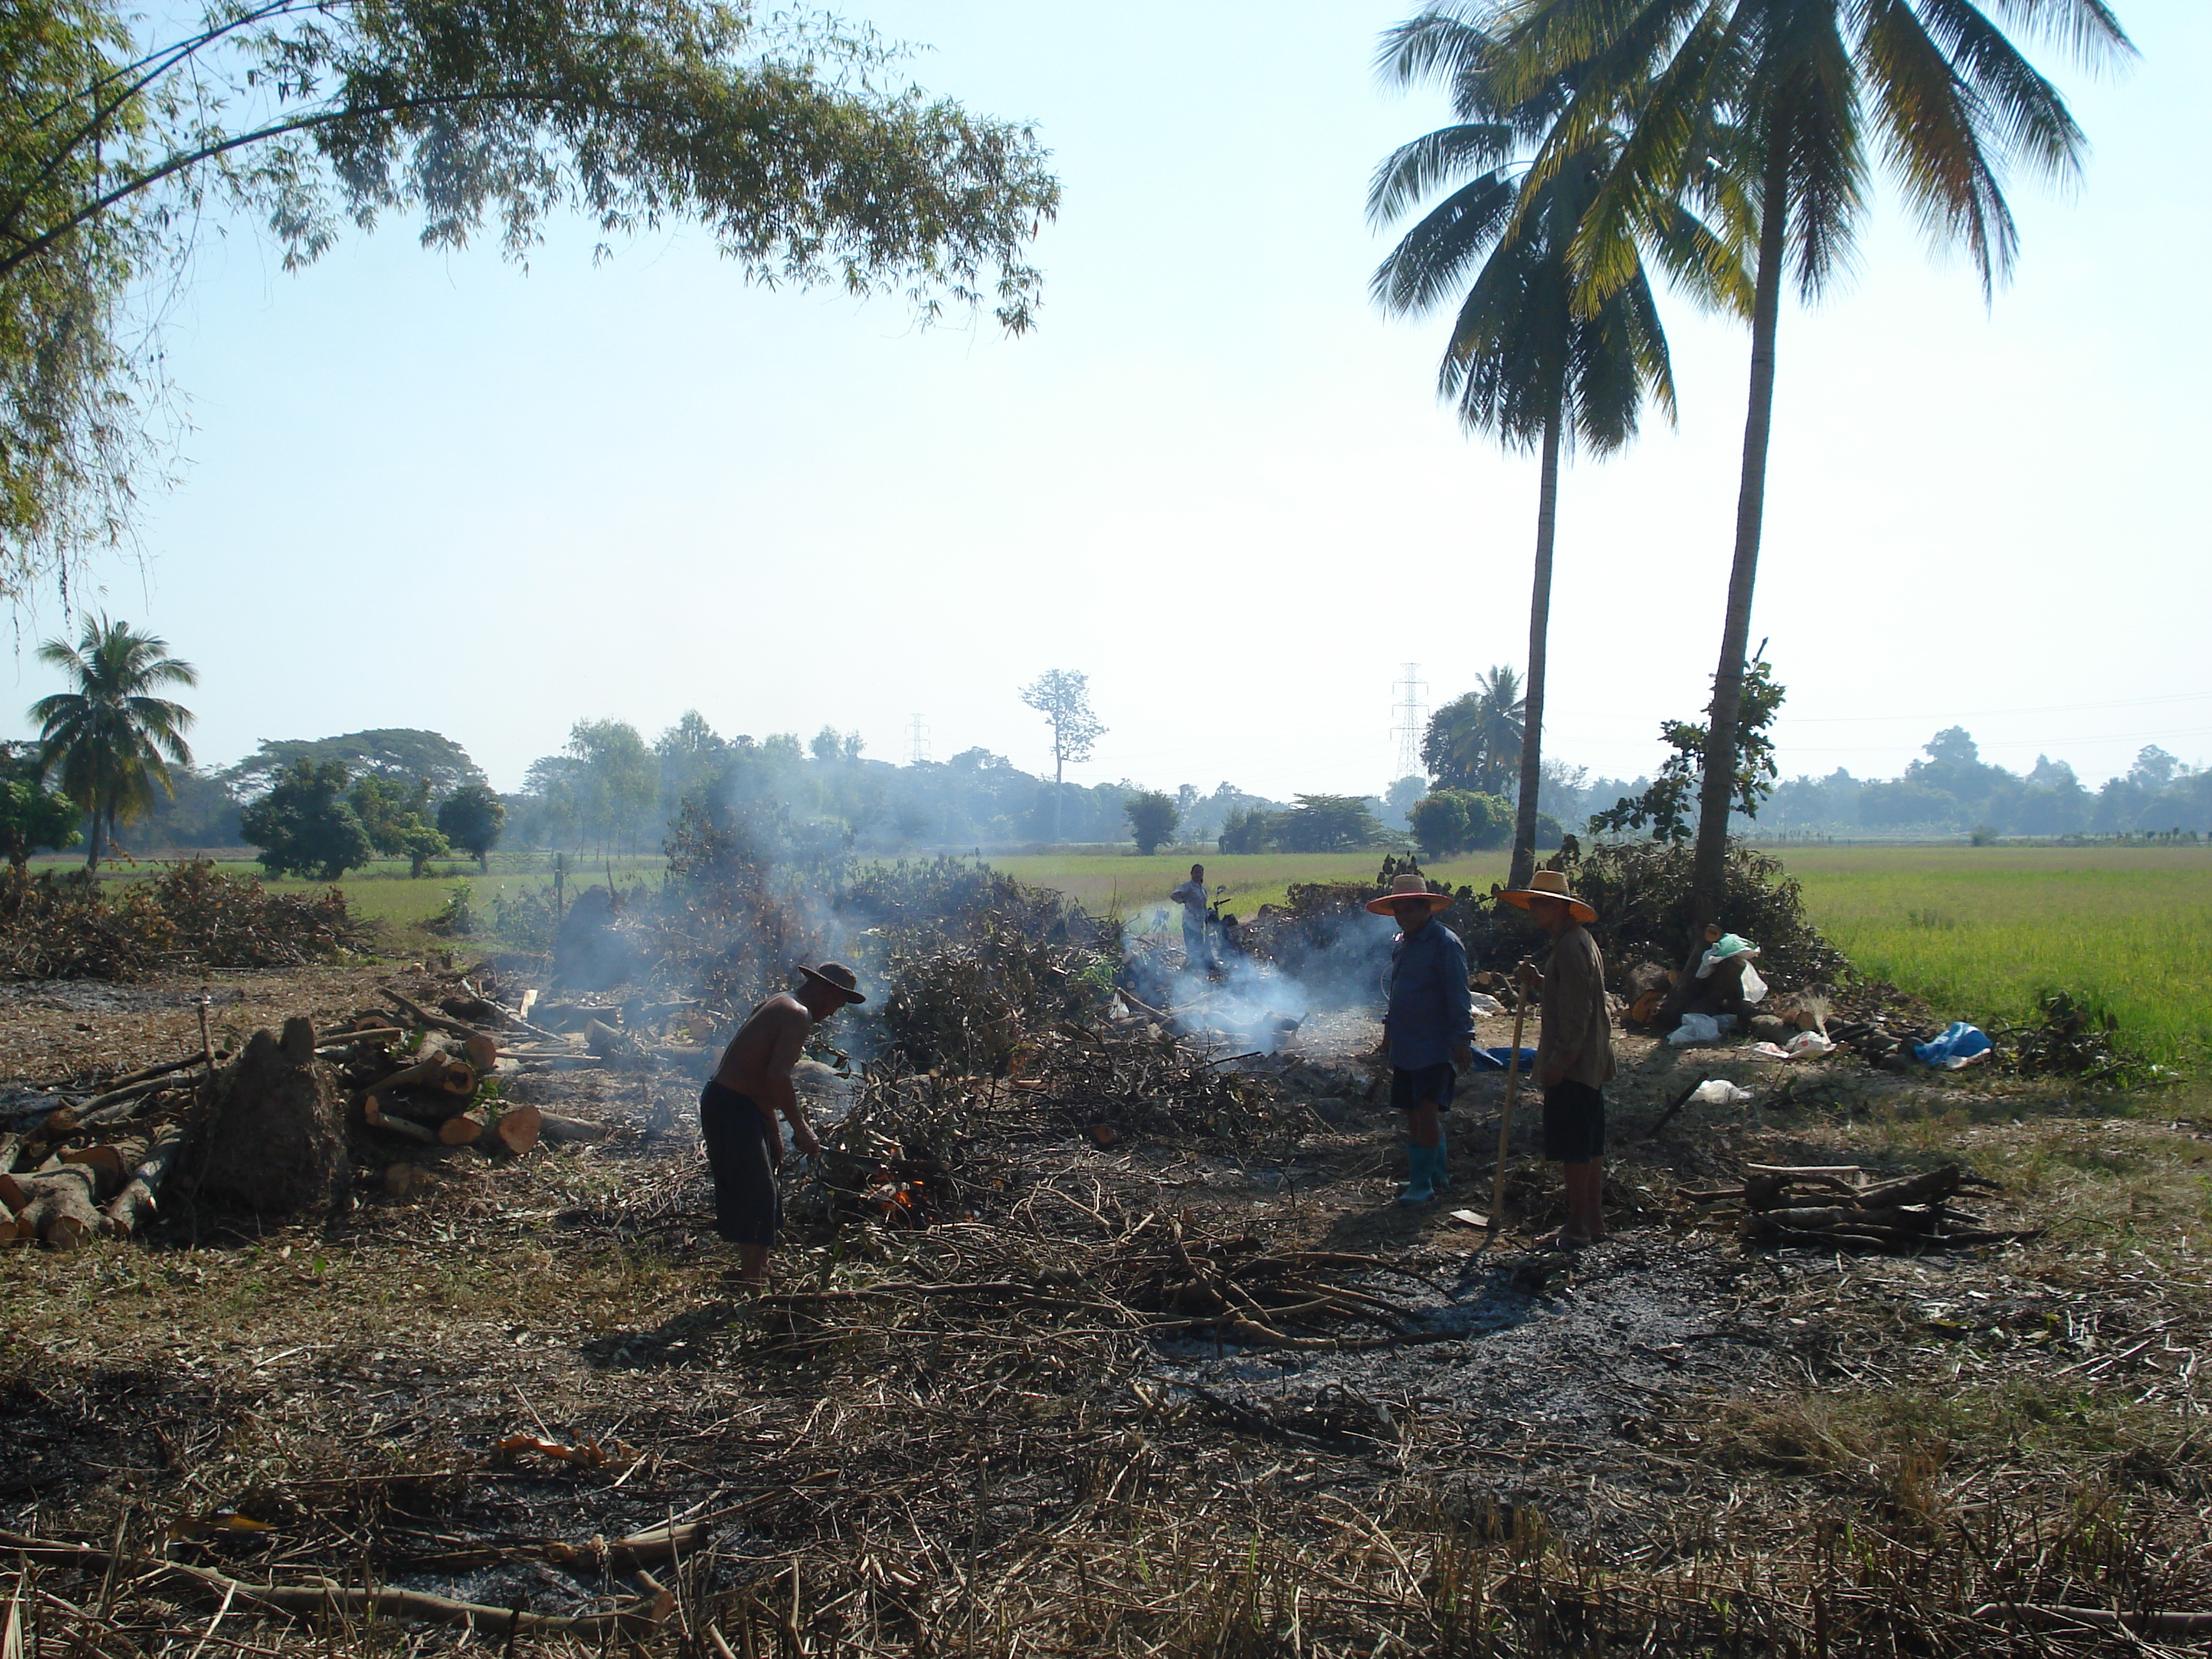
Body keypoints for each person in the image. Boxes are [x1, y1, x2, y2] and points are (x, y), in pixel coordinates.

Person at [701, 961, 866, 1290]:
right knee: (756, 1192)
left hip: (737, 1105)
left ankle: (756, 1272)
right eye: (837, 1003)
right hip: (732, 1106)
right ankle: (753, 1282)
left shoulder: (781, 1001)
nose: (834, 1012)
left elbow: (762, 1075)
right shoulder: (796, 1014)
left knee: (763, 1187)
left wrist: (773, 1131)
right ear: (828, 990)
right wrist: (801, 1129)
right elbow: (777, 1076)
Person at [1501, 869, 1615, 1248]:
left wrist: (1560, 1061)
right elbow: (1568, 993)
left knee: (1575, 1147)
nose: (1533, 910)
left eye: (1540, 903)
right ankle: (1593, 1223)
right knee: (1590, 1144)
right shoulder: (1575, 942)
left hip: (1577, 1064)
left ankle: (1578, 1225)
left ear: (1561, 908)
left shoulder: (1570, 946)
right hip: (1588, 1062)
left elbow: (1578, 1011)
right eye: (1532, 902)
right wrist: (1538, 982)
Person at [1369, 873, 1474, 1205]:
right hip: (1406, 1041)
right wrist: (1389, 1033)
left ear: (1426, 909)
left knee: (1427, 1111)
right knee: (1412, 1111)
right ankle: (1433, 1173)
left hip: (1433, 1042)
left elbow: (1458, 994)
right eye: (1399, 911)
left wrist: (1462, 1038)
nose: (1404, 917)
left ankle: (1422, 1185)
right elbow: (1398, 992)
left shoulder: (1445, 944)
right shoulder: (1403, 944)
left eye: (1410, 910)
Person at [1169, 863, 1215, 973]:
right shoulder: (1188, 886)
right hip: (1190, 921)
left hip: (1199, 923)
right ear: (1191, 874)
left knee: (1199, 947)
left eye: (1200, 873)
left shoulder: (1202, 889)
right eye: (1196, 872)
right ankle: (1191, 971)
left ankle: (1197, 969)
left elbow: (1202, 905)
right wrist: (1184, 901)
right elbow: (1174, 895)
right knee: (1193, 947)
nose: (1198, 875)